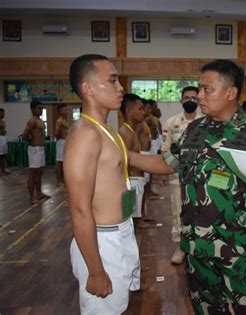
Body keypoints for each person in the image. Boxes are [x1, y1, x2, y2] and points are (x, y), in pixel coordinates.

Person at [128, 59, 246, 314]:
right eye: (199, 88)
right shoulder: (194, 130)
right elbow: (167, 162)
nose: (199, 95)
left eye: (207, 89)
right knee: (206, 308)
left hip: (236, 248)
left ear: (231, 93)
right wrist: (124, 155)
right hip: (196, 247)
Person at [65, 54, 141, 314]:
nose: (121, 88)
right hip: (102, 242)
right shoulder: (85, 135)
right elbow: (78, 208)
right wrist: (96, 271)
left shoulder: (107, 130)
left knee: (118, 307)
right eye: (112, 81)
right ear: (87, 88)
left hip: (121, 231)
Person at [161, 85, 200, 265]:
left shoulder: (206, 122)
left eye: (194, 98)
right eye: (187, 97)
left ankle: (198, 247)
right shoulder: (171, 123)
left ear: (198, 100)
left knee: (200, 212)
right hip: (177, 178)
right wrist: (177, 167)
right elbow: (165, 150)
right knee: (178, 213)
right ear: (181, 100)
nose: (190, 101)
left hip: (201, 179)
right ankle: (180, 247)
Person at [119, 93, 153, 229]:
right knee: (131, 221)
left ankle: (140, 218)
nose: (143, 112)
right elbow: (123, 162)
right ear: (129, 111)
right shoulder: (125, 132)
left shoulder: (131, 131)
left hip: (136, 179)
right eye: (140, 109)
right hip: (131, 180)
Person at [22, 101, 50, 204]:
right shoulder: (32, 121)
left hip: (41, 149)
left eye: (42, 108)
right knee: (33, 174)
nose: (41, 110)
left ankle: (39, 193)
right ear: (33, 109)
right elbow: (24, 135)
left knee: (40, 173)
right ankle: (32, 198)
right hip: (35, 149)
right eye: (39, 108)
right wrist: (32, 142)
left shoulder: (40, 121)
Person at [54, 104, 69, 185]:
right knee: (60, 162)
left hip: (65, 142)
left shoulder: (65, 120)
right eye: (64, 110)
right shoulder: (59, 121)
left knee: (64, 162)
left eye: (67, 109)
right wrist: (61, 139)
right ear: (60, 111)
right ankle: (59, 180)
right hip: (61, 142)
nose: (66, 111)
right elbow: (56, 133)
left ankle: (63, 179)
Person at [0, 108, 8, 176]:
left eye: (4, 113)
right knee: (0, 155)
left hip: (3, 138)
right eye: (2, 113)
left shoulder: (3, 121)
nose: (3, 114)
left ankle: (3, 170)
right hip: (0, 139)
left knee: (4, 155)